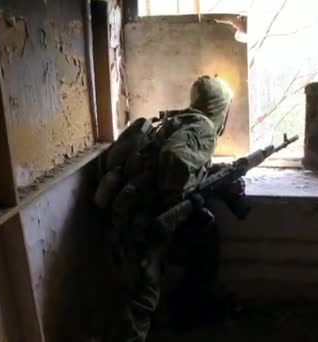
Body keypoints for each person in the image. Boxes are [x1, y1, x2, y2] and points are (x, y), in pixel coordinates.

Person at [95, 75, 237, 342]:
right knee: (142, 296)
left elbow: (169, 163)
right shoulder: (203, 127)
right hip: (147, 217)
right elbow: (174, 159)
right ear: (220, 108)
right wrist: (183, 199)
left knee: (140, 288)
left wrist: (212, 175)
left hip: (132, 210)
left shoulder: (180, 120)